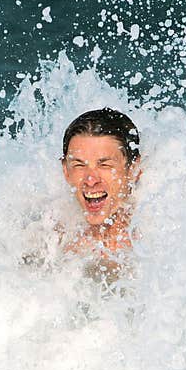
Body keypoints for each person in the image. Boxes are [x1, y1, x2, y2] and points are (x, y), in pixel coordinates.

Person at [59, 108, 141, 258]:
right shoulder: (53, 240)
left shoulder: (153, 240)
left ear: (133, 170)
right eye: (79, 165)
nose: (90, 180)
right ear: (66, 170)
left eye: (104, 165)